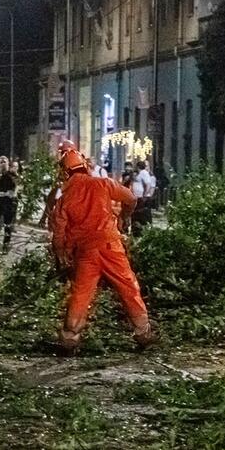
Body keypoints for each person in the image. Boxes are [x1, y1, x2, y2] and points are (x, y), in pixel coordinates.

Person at [50, 147, 155, 355]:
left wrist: (62, 257)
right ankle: (143, 331)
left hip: (85, 253)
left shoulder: (64, 199)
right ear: (86, 166)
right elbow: (131, 199)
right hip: (110, 246)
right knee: (128, 287)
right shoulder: (103, 183)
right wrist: (125, 217)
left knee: (81, 294)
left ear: (64, 172)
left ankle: (71, 336)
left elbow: (59, 234)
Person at [0, 159, 19, 250]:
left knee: (8, 225)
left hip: (9, 202)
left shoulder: (11, 173)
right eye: (0, 162)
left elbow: (18, 184)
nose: (2, 164)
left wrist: (13, 193)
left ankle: (6, 245)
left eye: (4, 162)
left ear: (8, 164)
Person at [131, 161, 155, 236]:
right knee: (136, 214)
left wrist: (144, 195)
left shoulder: (144, 173)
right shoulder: (140, 173)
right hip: (137, 197)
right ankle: (137, 229)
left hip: (141, 197)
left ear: (138, 166)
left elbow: (148, 184)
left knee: (142, 214)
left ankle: (143, 229)